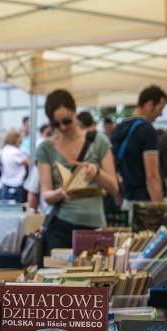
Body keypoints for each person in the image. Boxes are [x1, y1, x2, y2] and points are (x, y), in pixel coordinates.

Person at [37, 89, 119, 254]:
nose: (62, 127)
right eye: (55, 124)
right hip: (60, 226)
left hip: (94, 227)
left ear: (74, 112)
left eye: (66, 121)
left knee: (94, 278)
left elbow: (114, 188)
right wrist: (62, 192)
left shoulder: (98, 141)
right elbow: (45, 195)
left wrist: (96, 171)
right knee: (57, 277)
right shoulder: (46, 147)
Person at [110, 85, 167, 216]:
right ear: (149, 105)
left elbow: (113, 171)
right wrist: (159, 211)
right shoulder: (147, 130)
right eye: (161, 108)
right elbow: (152, 176)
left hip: (127, 201)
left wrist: (120, 199)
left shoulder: (117, 129)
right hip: (147, 204)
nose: (161, 114)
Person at [0, 127, 29, 203]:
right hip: (17, 185)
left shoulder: (2, 150)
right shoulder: (17, 152)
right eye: (20, 137)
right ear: (15, 138)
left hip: (4, 186)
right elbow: (28, 163)